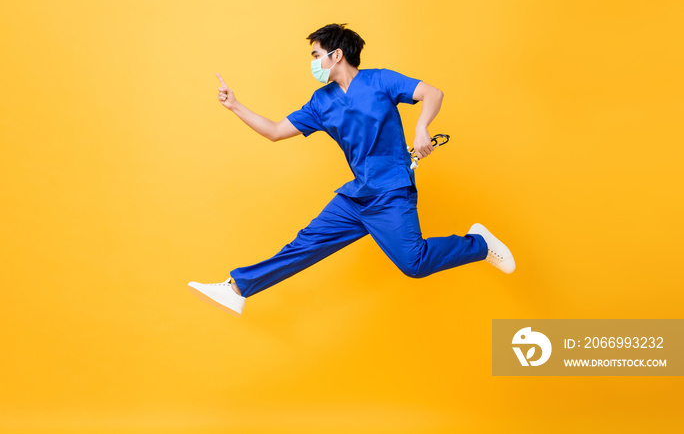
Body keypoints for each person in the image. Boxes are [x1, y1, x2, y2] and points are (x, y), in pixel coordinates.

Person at [188, 23, 515, 317]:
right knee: (303, 246)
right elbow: (275, 131)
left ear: (337, 54)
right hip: (356, 196)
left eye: (316, 54)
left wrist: (422, 128)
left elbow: (433, 93)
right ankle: (236, 289)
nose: (313, 63)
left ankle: (479, 245)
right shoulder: (321, 101)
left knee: (414, 264)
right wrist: (235, 105)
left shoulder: (380, 80)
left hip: (390, 192)